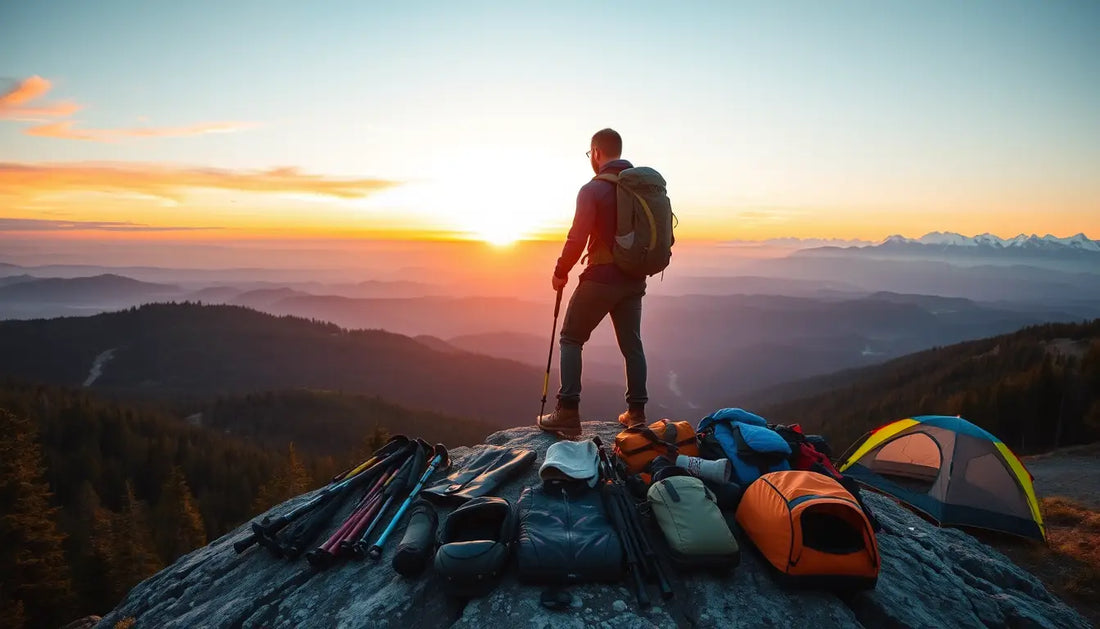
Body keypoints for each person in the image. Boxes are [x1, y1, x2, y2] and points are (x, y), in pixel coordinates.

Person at [538, 128, 648, 437]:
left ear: (596, 152)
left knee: (571, 338)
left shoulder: (592, 189)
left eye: (590, 154)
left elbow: (577, 237)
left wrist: (561, 271)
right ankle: (636, 413)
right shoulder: (640, 187)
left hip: (601, 278)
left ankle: (568, 410)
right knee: (632, 344)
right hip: (634, 280)